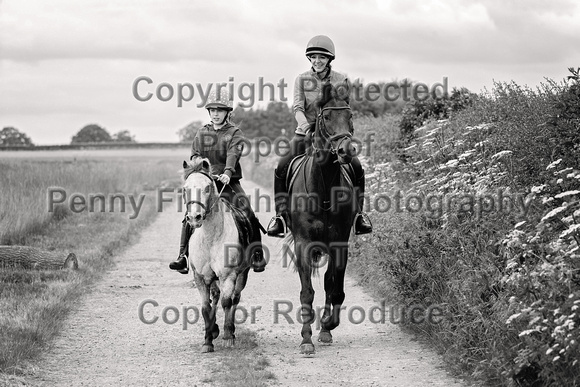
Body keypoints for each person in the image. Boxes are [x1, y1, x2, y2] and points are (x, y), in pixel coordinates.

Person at [266, 34, 373, 237]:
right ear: (309, 59)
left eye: (322, 57)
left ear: (329, 59)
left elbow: (344, 108)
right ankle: (280, 217)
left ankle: (359, 215)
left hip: (333, 135)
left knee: (357, 166)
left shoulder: (340, 80)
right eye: (314, 57)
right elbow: (298, 108)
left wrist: (345, 132)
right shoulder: (302, 80)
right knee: (281, 166)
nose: (317, 61)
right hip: (306, 133)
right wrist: (306, 126)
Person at [169, 90, 267, 274]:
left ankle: (257, 255)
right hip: (206, 183)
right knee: (189, 215)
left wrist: (228, 172)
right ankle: (182, 256)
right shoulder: (201, 132)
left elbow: (233, 154)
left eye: (219, 110)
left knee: (248, 212)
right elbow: (195, 155)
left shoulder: (234, 132)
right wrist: (202, 172)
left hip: (227, 183)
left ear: (227, 112)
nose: (215, 113)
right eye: (212, 110)